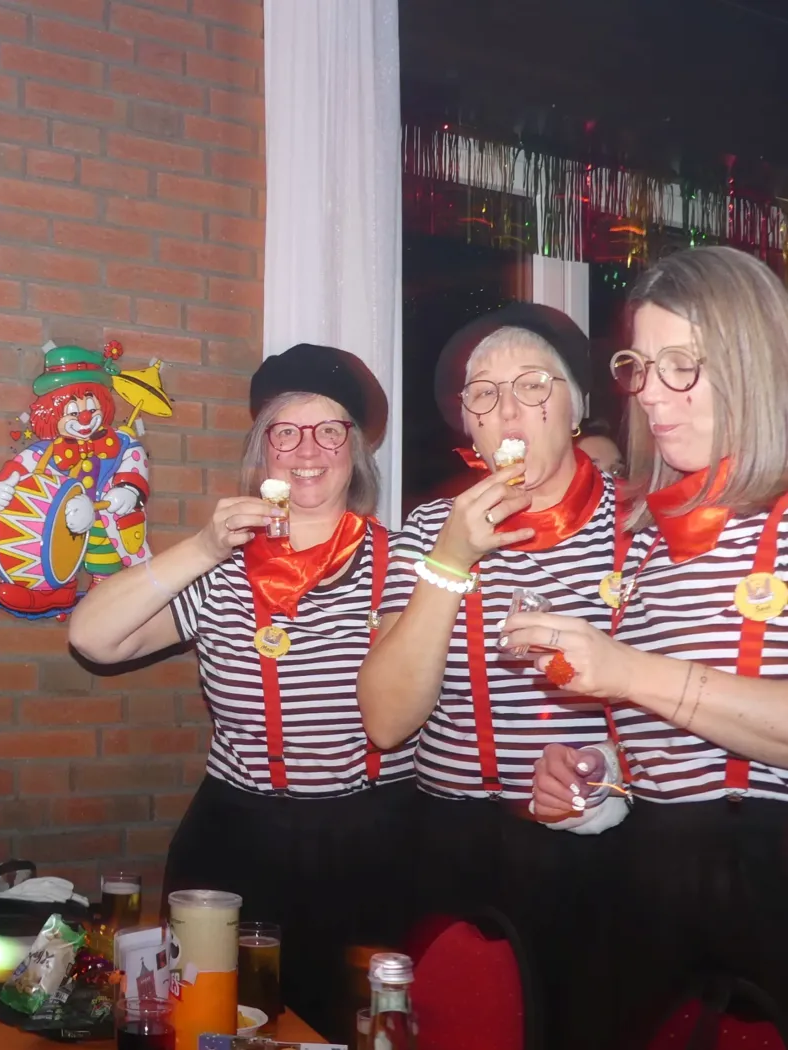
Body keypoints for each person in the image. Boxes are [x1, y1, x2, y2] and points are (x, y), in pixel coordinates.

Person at [70, 343, 414, 1039]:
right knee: (212, 1027)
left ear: (355, 451)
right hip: (236, 841)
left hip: (372, 841)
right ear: (263, 454)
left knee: (352, 1031)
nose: (307, 450)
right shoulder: (223, 572)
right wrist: (204, 547)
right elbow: (93, 638)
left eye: (329, 430)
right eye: (285, 432)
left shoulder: (406, 562)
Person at [523, 247, 788, 1041]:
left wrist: (627, 673)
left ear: (754, 364)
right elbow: (679, 750)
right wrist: (599, 781)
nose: (649, 394)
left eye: (683, 366)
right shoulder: (646, 542)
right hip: (647, 889)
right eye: (640, 366)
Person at [357, 304, 620, 1050]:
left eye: (533, 386)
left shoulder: (635, 526)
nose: (507, 410)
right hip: (449, 841)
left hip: (597, 844)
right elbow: (386, 721)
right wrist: (449, 561)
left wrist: (612, 772)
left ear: (576, 408)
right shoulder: (427, 530)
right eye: (483, 394)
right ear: (468, 426)